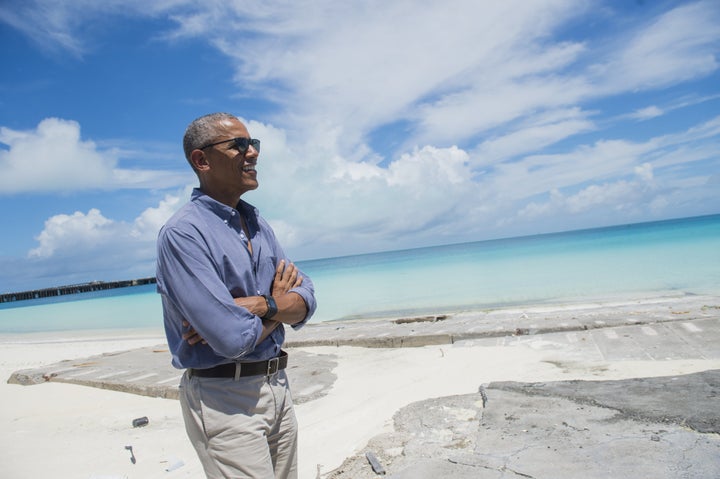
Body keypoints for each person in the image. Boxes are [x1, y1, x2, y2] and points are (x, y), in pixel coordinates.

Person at [156, 112, 317, 478]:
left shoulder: (258, 223)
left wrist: (263, 304)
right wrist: (278, 310)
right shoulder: (183, 234)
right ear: (202, 160)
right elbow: (232, 339)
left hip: (277, 386)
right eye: (239, 145)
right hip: (224, 398)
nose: (253, 153)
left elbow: (307, 296)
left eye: (254, 144)